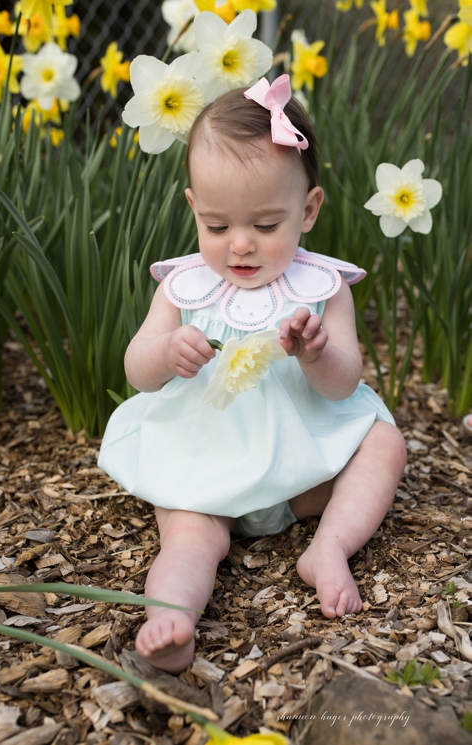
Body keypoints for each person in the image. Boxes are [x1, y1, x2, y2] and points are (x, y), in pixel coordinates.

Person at [98, 75, 407, 673]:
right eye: (217, 227)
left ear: (308, 209)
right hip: (203, 471)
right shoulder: (184, 287)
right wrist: (166, 352)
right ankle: (173, 618)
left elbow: (345, 384)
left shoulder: (322, 289)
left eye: (266, 226)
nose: (240, 245)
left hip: (299, 474)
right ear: (194, 209)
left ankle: (329, 547)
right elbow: (137, 371)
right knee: (190, 541)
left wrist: (317, 353)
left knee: (383, 443)